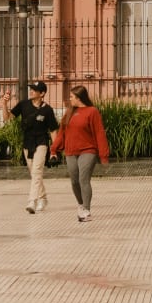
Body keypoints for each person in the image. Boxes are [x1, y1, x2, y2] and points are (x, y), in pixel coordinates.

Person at [51, 86, 110, 223]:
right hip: (71, 151)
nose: (69, 99)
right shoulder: (69, 113)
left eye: (71, 97)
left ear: (79, 98)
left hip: (88, 151)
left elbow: (99, 133)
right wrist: (54, 150)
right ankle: (81, 204)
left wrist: (103, 155)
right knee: (74, 181)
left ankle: (86, 210)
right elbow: (61, 134)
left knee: (84, 179)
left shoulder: (92, 112)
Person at [8, 81, 59, 213]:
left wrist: (54, 150)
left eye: (34, 90)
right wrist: (4, 103)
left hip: (41, 142)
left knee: (37, 171)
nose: (31, 91)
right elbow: (8, 117)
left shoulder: (47, 110)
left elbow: (53, 130)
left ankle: (32, 201)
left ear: (42, 93)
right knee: (34, 173)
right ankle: (43, 198)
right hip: (28, 142)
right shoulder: (23, 105)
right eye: (31, 89)